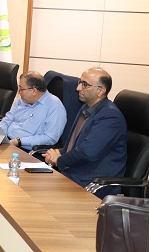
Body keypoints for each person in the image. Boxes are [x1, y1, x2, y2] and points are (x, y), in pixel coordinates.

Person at [43, 68, 127, 198]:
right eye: (80, 83)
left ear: (100, 91)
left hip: (92, 182)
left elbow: (88, 152)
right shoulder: (86, 108)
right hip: (73, 175)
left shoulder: (110, 116)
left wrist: (59, 159)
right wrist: (58, 152)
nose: (78, 88)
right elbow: (75, 144)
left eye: (85, 85)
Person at [0, 71, 67, 150]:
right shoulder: (21, 100)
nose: (19, 92)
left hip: (24, 149)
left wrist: (19, 141)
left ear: (34, 91)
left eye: (21, 89)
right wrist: (0, 134)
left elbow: (50, 138)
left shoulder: (54, 106)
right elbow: (7, 119)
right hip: (7, 142)